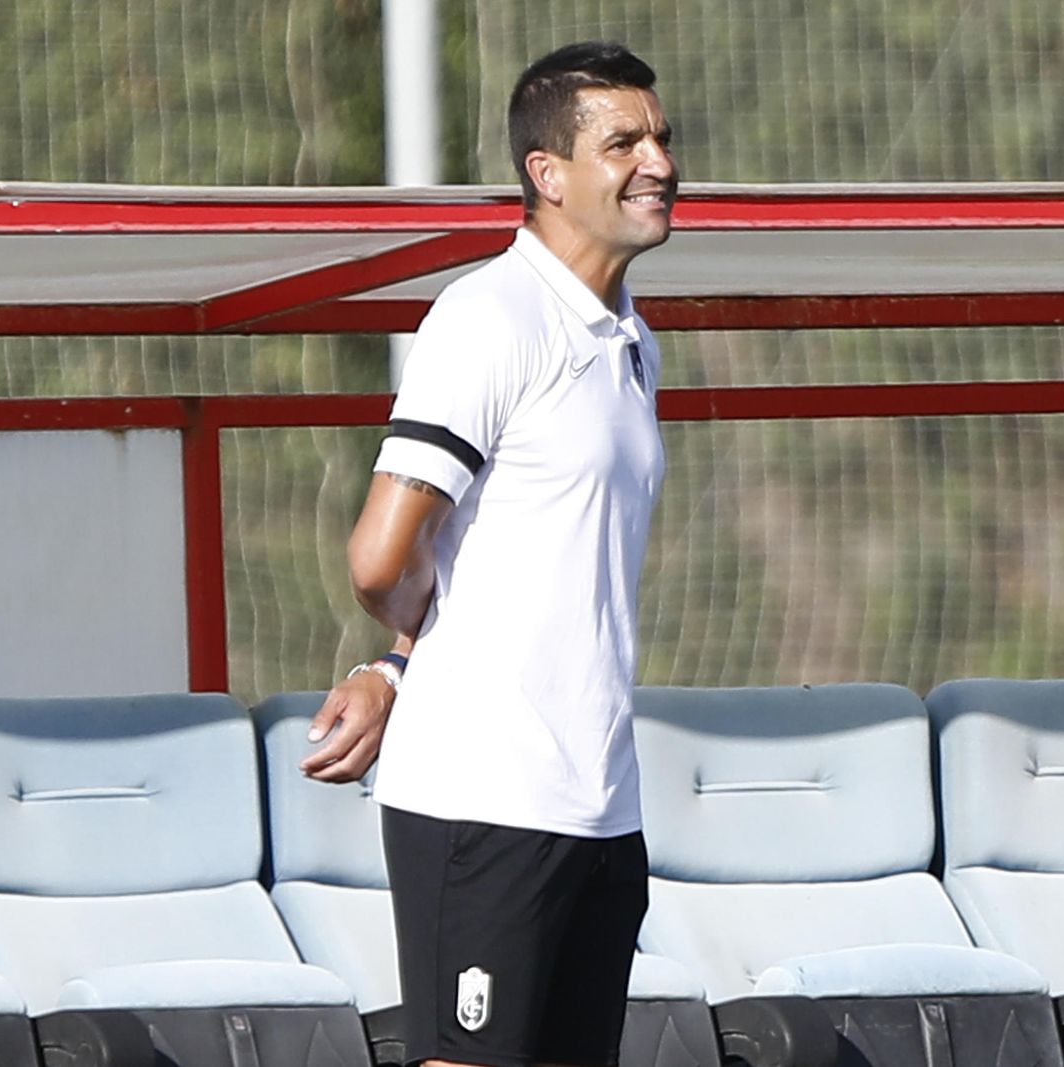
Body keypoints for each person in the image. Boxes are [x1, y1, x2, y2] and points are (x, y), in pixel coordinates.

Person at [300, 40, 677, 1067]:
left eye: (661, 137)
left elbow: (522, 573)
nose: (658, 162)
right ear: (545, 173)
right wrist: (408, 658)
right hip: (485, 802)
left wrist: (395, 666)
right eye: (622, 142)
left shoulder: (631, 338)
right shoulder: (488, 318)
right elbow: (382, 557)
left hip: (601, 808)